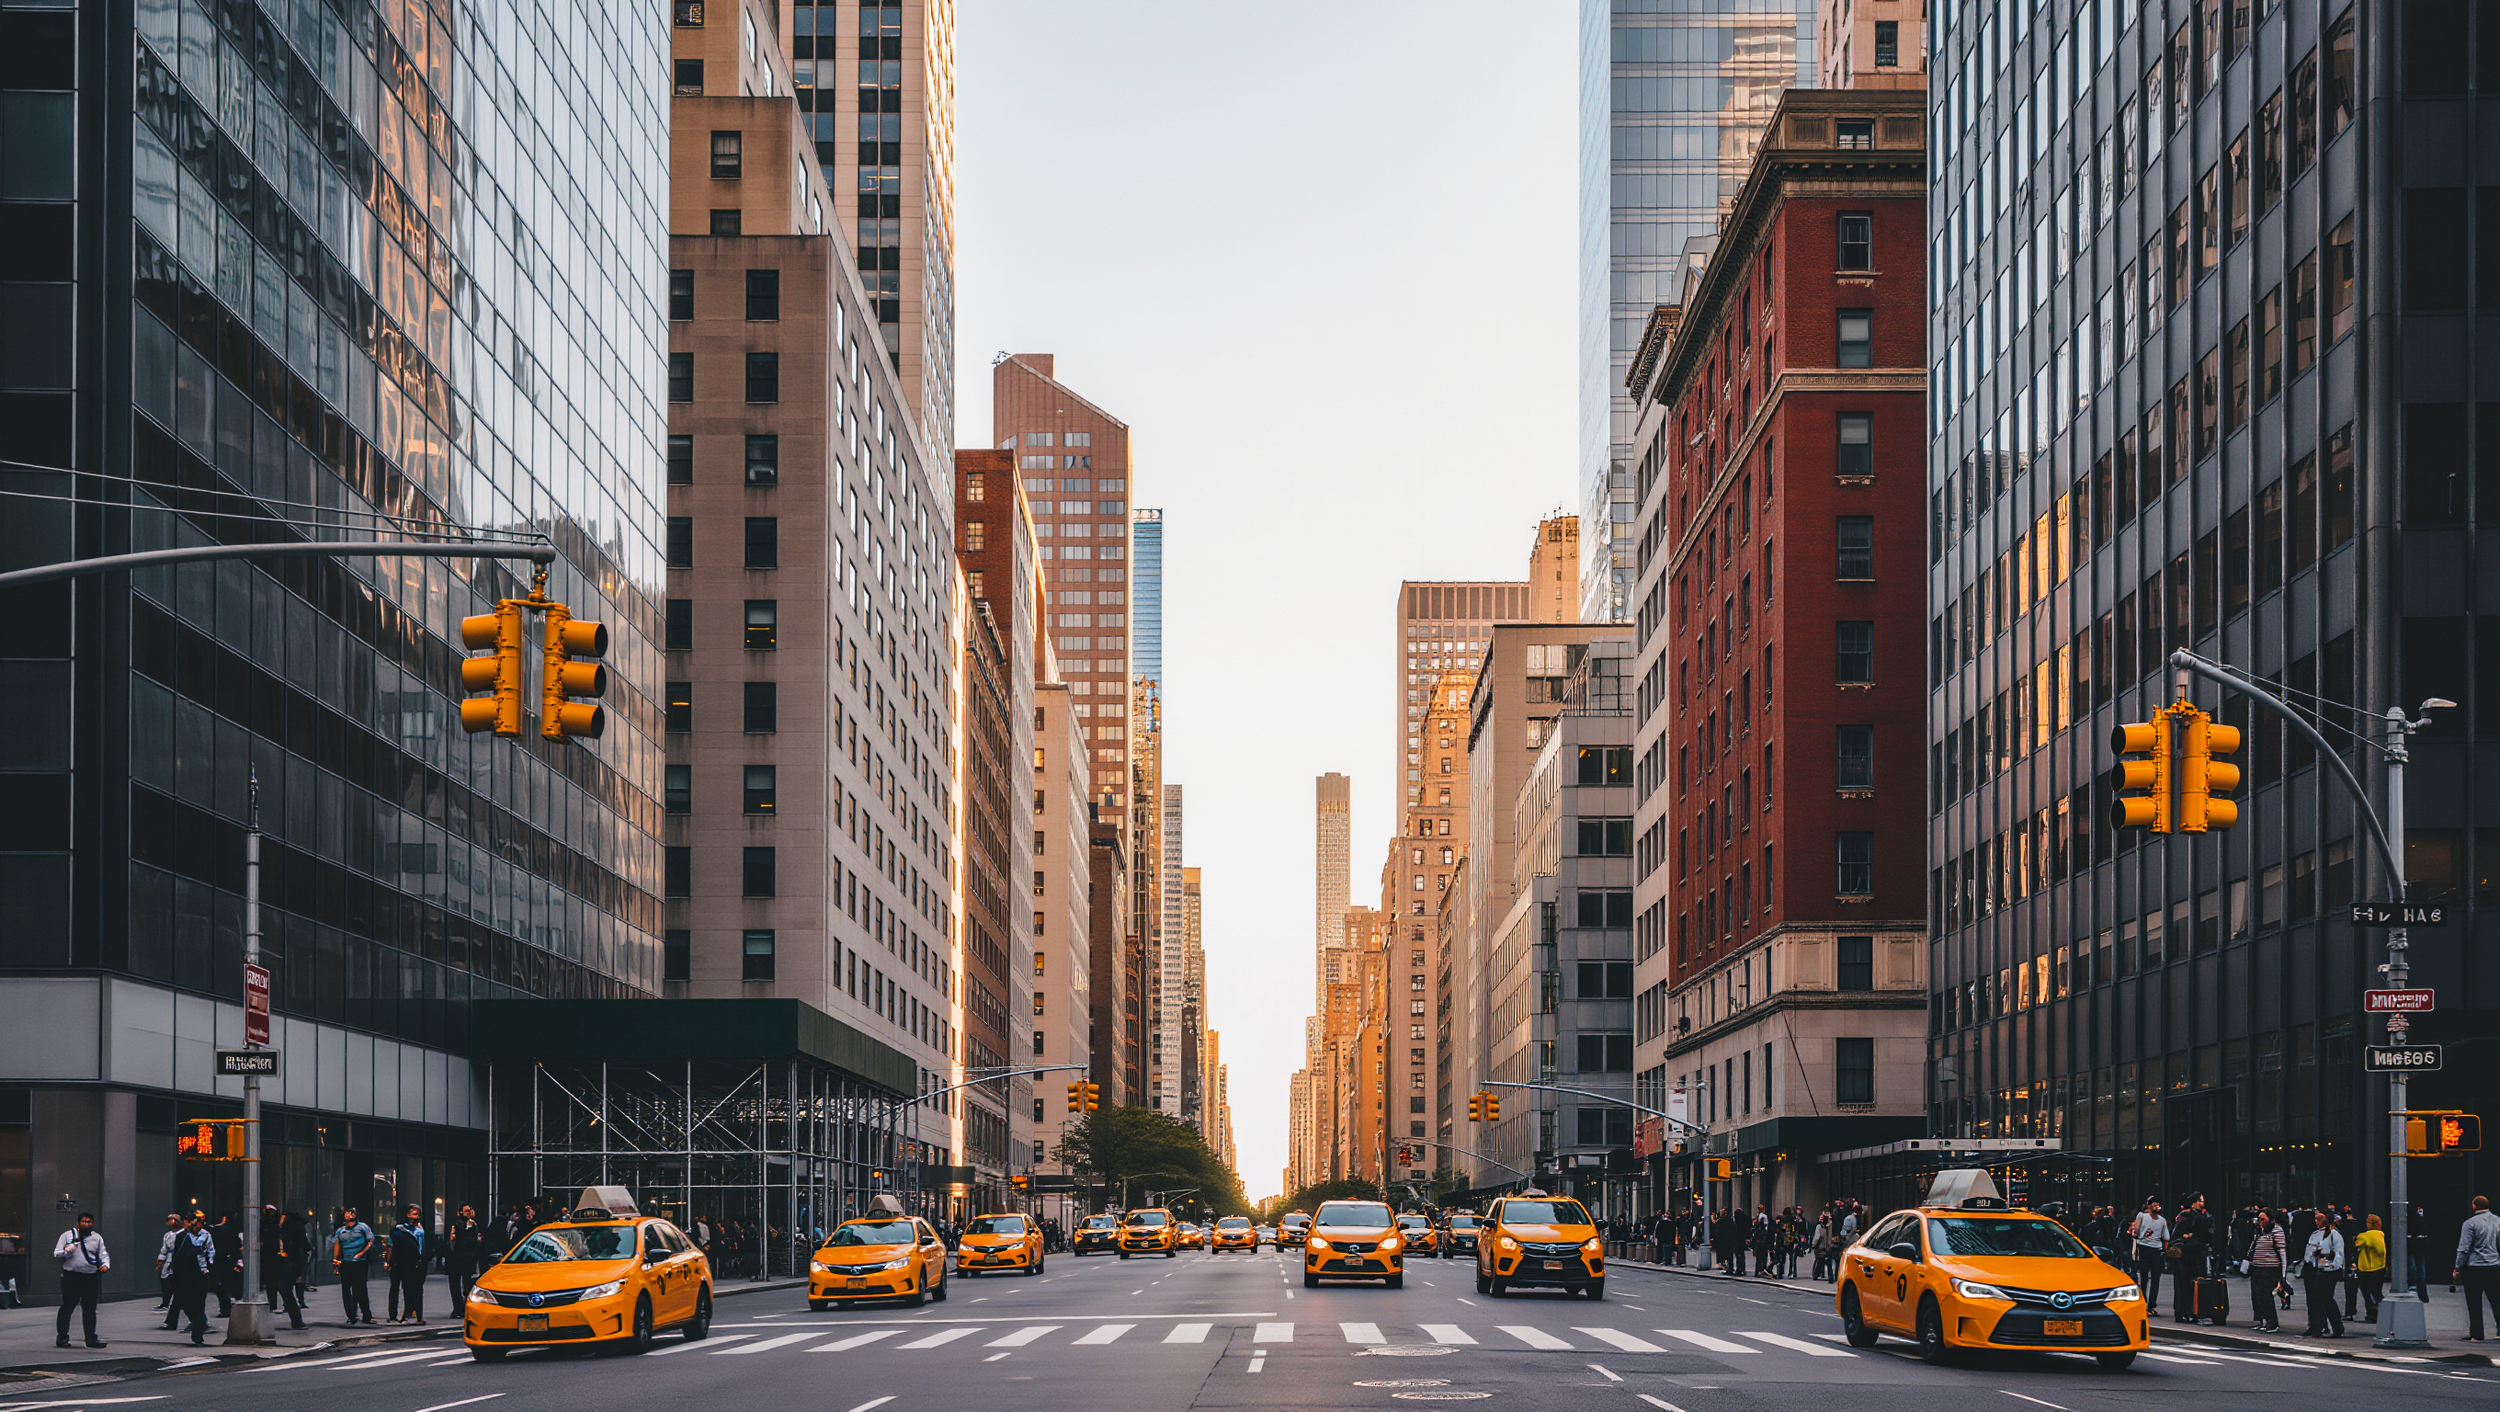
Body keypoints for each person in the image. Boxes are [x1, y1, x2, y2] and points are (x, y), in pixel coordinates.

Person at [51, 1212, 109, 1350]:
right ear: (78, 1223)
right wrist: (68, 1250)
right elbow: (56, 1253)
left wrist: (105, 1265)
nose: (87, 1224)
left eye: (89, 1222)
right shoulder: (67, 1236)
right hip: (71, 1276)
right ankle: (62, 1338)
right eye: (84, 1222)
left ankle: (91, 1339)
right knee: (68, 1306)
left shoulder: (97, 1238)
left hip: (90, 1276)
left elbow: (103, 1253)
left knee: (90, 1309)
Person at [165, 1210, 216, 1344]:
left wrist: (210, 1263)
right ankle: (197, 1322)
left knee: (199, 1304)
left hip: (200, 1274)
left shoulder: (205, 1235)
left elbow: (211, 1251)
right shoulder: (182, 1237)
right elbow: (179, 1255)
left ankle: (198, 1331)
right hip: (185, 1276)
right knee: (185, 1303)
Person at [2456, 1194, 2500, 1342]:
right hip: (2494, 1265)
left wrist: (2458, 1266)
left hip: (2474, 1267)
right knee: (2496, 1299)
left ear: (2474, 1206)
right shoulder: (2498, 1221)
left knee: (2474, 1300)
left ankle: (2477, 1333)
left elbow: (2464, 1248)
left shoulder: (2470, 1224)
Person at [2300, 1208, 2346, 1338]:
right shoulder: (2315, 1234)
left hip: (2327, 1271)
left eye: (2319, 1218)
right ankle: (2316, 1325)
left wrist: (2331, 1266)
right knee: (2313, 1299)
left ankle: (2336, 1327)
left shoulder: (2334, 1235)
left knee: (2325, 1298)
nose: (2316, 1221)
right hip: (2313, 1268)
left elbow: (2338, 1254)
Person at [331, 1206, 376, 1326]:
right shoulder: (341, 1230)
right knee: (346, 1289)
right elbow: (337, 1244)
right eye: (346, 1213)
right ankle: (351, 1315)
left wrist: (361, 1253)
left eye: (350, 1213)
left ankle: (366, 1315)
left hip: (360, 1262)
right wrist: (335, 1260)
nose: (347, 1215)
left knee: (360, 1288)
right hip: (346, 1262)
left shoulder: (362, 1227)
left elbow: (370, 1241)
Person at [2244, 1207, 2286, 1333]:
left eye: (2263, 1219)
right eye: (2259, 1219)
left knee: (2264, 1294)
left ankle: (2272, 1322)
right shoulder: (2260, 1232)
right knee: (2258, 1296)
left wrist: (2282, 1274)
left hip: (2270, 1267)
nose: (2260, 1222)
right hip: (2258, 1267)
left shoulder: (2276, 1231)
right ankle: (2264, 1320)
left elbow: (2282, 1252)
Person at [387, 1204, 429, 1324]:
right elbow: (392, 1246)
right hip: (398, 1262)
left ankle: (411, 1314)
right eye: (413, 1214)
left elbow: (422, 1247)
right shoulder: (398, 1230)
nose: (415, 1217)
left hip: (413, 1263)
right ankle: (393, 1314)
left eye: (417, 1214)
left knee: (411, 1289)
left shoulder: (419, 1231)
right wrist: (388, 1261)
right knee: (395, 1288)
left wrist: (420, 1260)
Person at [264, 1206, 305, 1329]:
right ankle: (295, 1319)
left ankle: (296, 1319)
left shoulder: (290, 1231)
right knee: (280, 1289)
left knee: (286, 1290)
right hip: (276, 1262)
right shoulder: (274, 1229)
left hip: (285, 1263)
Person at [2127, 1200, 2171, 1312]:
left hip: (2144, 1248)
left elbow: (2135, 1232)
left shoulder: (2142, 1216)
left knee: (2145, 1277)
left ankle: (2144, 1303)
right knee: (2155, 1278)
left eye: (2158, 1204)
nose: (2157, 1206)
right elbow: (2166, 1237)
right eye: (2155, 1204)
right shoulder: (2162, 1220)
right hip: (2155, 1250)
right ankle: (2151, 1305)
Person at [446, 1205, 486, 1310]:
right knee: (455, 1284)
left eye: (469, 1211)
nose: (468, 1213)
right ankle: (457, 1307)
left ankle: (465, 1306)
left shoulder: (474, 1225)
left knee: (468, 1283)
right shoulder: (456, 1225)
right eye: (466, 1211)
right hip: (457, 1259)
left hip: (468, 1259)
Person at [2352, 1214, 2387, 1323]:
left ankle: (2371, 1313)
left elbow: (2356, 1244)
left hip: (2366, 1268)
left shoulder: (2365, 1236)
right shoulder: (2381, 1235)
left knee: (2366, 1292)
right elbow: (2382, 1251)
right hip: (2380, 1267)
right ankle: (2382, 1312)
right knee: (2377, 1291)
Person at [208, 1210, 241, 1317]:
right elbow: (236, 1246)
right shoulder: (232, 1231)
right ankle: (228, 1305)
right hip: (228, 1258)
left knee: (220, 1285)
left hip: (218, 1258)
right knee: (227, 1283)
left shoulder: (214, 1231)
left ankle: (225, 1307)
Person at [152, 1212, 181, 1311]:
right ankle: (165, 1302)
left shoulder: (183, 1234)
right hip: (168, 1259)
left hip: (178, 1259)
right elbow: (164, 1249)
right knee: (165, 1281)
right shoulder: (167, 1235)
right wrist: (160, 1261)